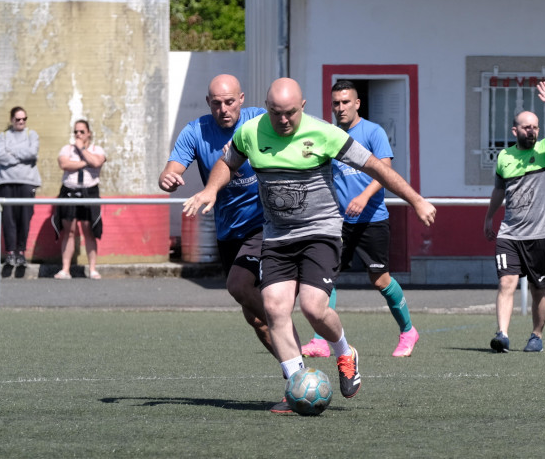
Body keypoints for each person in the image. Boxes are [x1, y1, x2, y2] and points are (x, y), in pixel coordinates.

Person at [183, 78, 436, 412]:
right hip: (276, 235)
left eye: (290, 113)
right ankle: (296, 386)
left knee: (314, 307)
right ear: (267, 108)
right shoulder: (250, 132)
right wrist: (211, 189)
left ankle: (345, 352)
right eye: (276, 113)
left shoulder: (325, 134)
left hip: (320, 231)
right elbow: (226, 163)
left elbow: (376, 166)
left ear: (302, 107)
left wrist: (416, 200)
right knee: (274, 307)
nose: (283, 120)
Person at [158, 73, 293, 367]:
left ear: (241, 100)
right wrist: (168, 177)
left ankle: (296, 354)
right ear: (208, 103)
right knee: (255, 318)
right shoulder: (195, 131)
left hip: (265, 223)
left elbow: (291, 129)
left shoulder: (259, 120)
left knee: (240, 286)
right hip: (229, 230)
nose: (224, 109)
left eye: (230, 102)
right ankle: (295, 374)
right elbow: (170, 169)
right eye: (217, 103)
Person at [300, 80, 419, 359]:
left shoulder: (372, 132)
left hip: (372, 220)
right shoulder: (329, 134)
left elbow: (385, 170)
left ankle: (408, 331)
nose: (340, 108)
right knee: (324, 279)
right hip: (337, 223)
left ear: (357, 104)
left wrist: (364, 197)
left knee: (380, 280)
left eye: (345, 102)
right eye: (335, 103)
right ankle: (319, 341)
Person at [483, 81, 545, 353]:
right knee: (506, 281)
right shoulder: (504, 157)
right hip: (509, 232)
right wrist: (489, 218)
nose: (531, 130)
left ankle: (536, 336)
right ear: (515, 130)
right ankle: (502, 334)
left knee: (538, 289)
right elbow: (499, 191)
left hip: (541, 234)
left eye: (535, 127)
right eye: (526, 127)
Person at [51, 119, 106, 280]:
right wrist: (85, 162)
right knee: (70, 231)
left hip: (90, 191)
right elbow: (64, 164)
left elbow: (96, 162)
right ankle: (65, 269)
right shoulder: (67, 148)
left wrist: (82, 150)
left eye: (82, 131)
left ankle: (93, 269)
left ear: (88, 133)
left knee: (89, 230)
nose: (78, 134)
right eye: (76, 132)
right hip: (70, 191)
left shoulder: (97, 149)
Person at [0, 106, 42, 267]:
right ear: (12, 120)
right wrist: (21, 155)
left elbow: (33, 153)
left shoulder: (31, 134)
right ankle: (10, 253)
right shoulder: (3, 136)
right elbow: (0, 156)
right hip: (5, 182)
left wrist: (12, 152)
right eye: (18, 119)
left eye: (24, 119)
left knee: (24, 218)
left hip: (27, 182)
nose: (21, 122)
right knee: (7, 219)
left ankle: (20, 252)